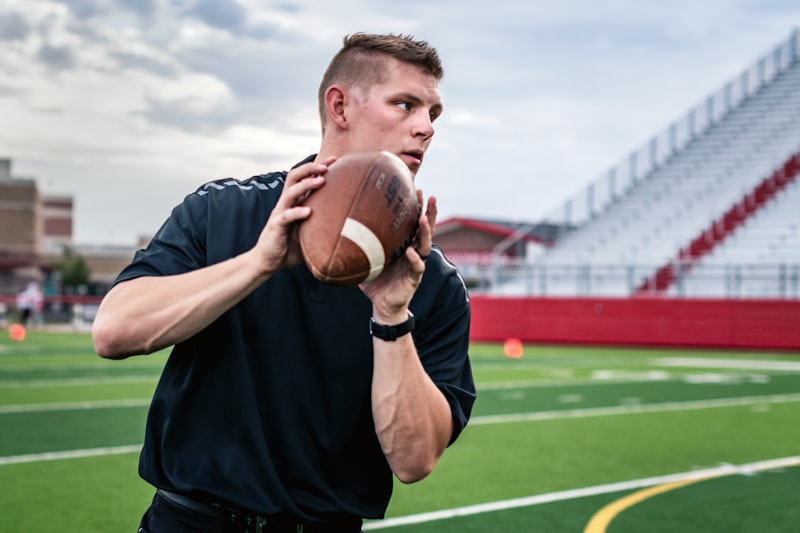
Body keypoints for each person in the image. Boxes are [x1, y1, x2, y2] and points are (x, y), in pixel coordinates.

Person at [92, 32, 475, 533]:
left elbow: (414, 460)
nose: (425, 128)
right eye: (405, 105)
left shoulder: (435, 281)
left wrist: (391, 315)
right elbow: (114, 332)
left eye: (433, 114)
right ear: (339, 107)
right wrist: (259, 263)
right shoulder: (223, 210)